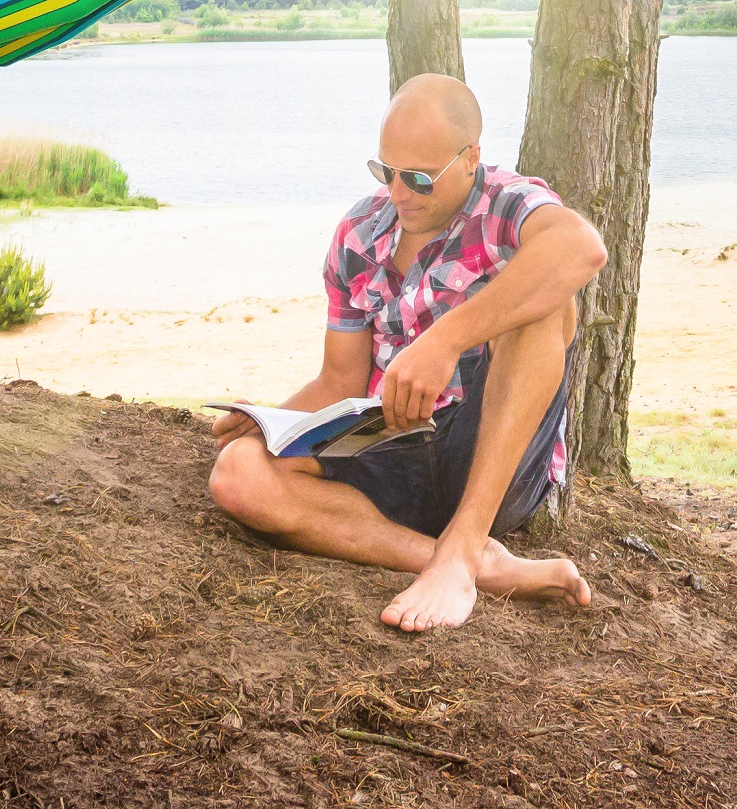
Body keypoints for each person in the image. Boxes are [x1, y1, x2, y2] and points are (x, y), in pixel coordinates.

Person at [209, 73, 606, 631]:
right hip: (390, 449)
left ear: (470, 158)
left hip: (490, 458)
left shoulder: (507, 204)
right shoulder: (358, 233)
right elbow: (341, 380)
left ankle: (467, 538)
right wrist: (272, 422)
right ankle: (473, 563)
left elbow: (582, 249)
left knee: (546, 307)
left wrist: (444, 341)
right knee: (237, 475)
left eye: (419, 179)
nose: (398, 194)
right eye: (385, 172)